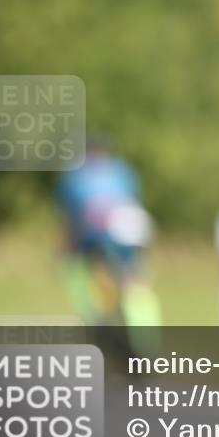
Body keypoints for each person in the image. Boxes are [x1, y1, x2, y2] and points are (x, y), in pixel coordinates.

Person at [56, 136, 161, 342]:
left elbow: (70, 219)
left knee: (99, 280)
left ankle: (102, 321)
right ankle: (143, 339)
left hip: (100, 234)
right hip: (133, 229)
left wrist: (65, 249)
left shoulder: (75, 177)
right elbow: (135, 204)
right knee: (134, 282)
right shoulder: (125, 171)